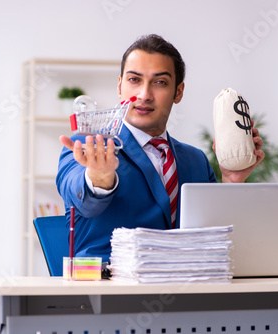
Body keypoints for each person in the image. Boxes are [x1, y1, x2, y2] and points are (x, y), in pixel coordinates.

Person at [56, 34, 264, 262]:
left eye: (160, 82)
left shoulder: (195, 160)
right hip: (111, 289)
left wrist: (232, 181)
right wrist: (99, 178)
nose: (144, 95)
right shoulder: (89, 149)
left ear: (178, 92)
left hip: (188, 285)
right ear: (120, 86)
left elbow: (215, 235)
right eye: (134, 80)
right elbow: (82, 200)